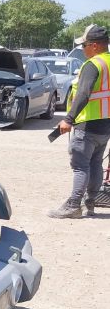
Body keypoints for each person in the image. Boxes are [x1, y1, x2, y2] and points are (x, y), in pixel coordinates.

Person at [47, 24, 110, 218]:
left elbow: (83, 93)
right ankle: (89, 203)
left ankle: (74, 205)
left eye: (84, 46)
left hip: (87, 124)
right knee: (96, 164)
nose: (82, 50)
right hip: (105, 125)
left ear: (94, 45)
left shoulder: (93, 64)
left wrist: (68, 119)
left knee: (81, 166)